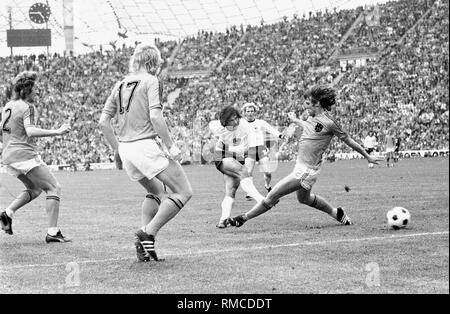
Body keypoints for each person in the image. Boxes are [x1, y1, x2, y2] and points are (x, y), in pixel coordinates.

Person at [227, 86, 383, 228]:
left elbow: (348, 140)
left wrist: (367, 156)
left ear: (317, 104)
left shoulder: (329, 122)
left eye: (308, 103)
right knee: (304, 199)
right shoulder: (311, 118)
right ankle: (337, 213)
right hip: (304, 168)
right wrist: (296, 121)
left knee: (272, 196)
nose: (305, 106)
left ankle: (242, 218)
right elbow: (310, 127)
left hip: (305, 170)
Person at [99, 43, 192, 262]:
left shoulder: (119, 84)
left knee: (156, 192)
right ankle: (147, 233)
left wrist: (117, 151)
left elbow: (103, 122)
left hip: (126, 148)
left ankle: (143, 239)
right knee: (183, 192)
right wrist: (171, 146)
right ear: (153, 62)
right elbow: (156, 117)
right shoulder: (151, 81)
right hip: (145, 145)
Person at [0, 71, 72, 242]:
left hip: (9, 156)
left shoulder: (8, 105)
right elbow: (30, 131)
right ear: (26, 90)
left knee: (35, 189)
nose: (38, 92)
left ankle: (7, 213)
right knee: (54, 187)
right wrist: (57, 131)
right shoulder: (28, 107)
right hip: (23, 155)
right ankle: (53, 233)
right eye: (35, 89)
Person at [210, 106, 265, 228]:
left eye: (236, 118)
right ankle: (261, 200)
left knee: (231, 190)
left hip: (238, 157)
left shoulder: (245, 126)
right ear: (224, 122)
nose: (235, 122)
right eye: (231, 121)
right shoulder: (219, 128)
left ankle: (223, 219)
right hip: (222, 155)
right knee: (243, 172)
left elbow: (249, 147)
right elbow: (213, 147)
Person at [242, 102, 284, 199]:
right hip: (249, 150)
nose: (250, 113)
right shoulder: (241, 124)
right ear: (244, 113)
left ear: (255, 112)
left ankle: (267, 186)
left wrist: (280, 135)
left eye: (252, 111)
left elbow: (271, 129)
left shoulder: (260, 122)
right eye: (248, 111)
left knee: (267, 172)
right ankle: (250, 192)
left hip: (261, 149)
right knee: (248, 172)